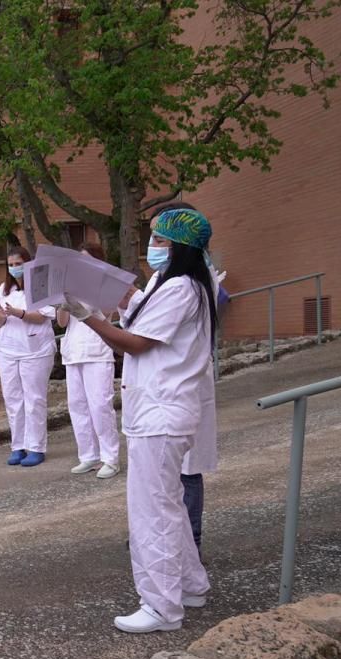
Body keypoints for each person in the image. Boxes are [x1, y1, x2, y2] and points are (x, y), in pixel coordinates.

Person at [72, 207, 216, 633]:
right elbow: (138, 306)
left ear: (179, 248)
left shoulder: (183, 289)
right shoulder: (169, 283)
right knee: (168, 504)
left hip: (162, 412)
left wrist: (87, 318)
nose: (151, 246)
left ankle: (161, 606)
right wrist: (101, 285)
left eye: (159, 240)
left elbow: (134, 342)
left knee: (150, 511)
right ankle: (190, 585)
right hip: (158, 410)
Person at [127, 201, 227, 554]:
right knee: (162, 479)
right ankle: (164, 539)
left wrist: (94, 319)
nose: (153, 244)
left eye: (160, 237)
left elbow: (144, 337)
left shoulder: (194, 281)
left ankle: (189, 543)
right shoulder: (164, 277)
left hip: (179, 386)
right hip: (160, 386)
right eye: (152, 235)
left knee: (185, 470)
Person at [57, 243, 120, 479]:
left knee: (100, 406)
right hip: (73, 352)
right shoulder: (69, 286)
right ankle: (88, 455)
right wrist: (62, 299)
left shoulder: (104, 284)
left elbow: (106, 311)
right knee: (78, 407)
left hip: (97, 351)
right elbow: (62, 322)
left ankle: (110, 458)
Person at [0, 247, 57, 467]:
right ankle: (17, 445)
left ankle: (36, 447)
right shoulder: (3, 289)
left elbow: (44, 316)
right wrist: (1, 318)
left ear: (28, 263)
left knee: (34, 399)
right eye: (10, 264)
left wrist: (17, 313)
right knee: (13, 399)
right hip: (8, 350)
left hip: (35, 349)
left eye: (18, 263)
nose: (14, 268)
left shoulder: (41, 284)